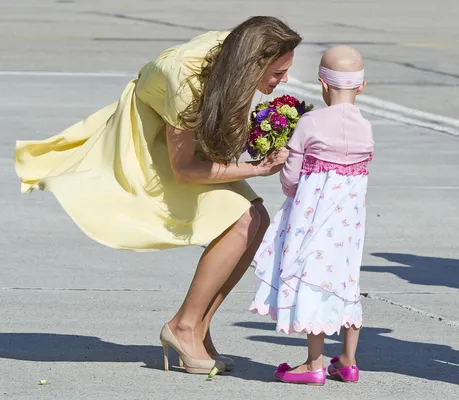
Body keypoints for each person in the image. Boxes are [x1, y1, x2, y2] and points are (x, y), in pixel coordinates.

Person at [14, 16, 302, 375]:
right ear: (254, 63)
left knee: (257, 218)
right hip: (146, 143)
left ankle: (196, 328)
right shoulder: (184, 79)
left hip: (185, 140)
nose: (284, 80)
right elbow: (184, 169)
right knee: (241, 219)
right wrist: (258, 169)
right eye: (278, 72)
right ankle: (182, 327)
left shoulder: (235, 58)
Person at [249, 45, 374, 385]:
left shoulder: (310, 123)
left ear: (322, 83)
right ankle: (348, 361)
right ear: (361, 86)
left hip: (313, 222)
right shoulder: (365, 128)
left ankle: (313, 363)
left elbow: (290, 180)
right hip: (349, 226)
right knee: (347, 281)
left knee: (313, 280)